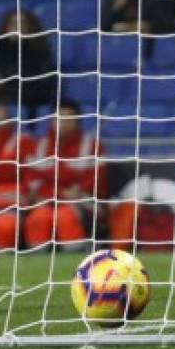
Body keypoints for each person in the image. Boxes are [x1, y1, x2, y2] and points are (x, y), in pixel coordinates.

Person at [23, 99, 105, 250]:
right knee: (38, 217)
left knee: (65, 216)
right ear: (52, 121)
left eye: (69, 118)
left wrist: (60, 188)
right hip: (46, 201)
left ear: (77, 121)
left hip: (82, 203)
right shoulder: (39, 146)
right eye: (60, 118)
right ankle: (37, 263)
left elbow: (95, 182)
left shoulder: (92, 146)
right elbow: (31, 181)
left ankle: (74, 258)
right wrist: (60, 192)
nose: (64, 123)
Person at [0, 104, 37, 251]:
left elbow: (31, 174)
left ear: (10, 120)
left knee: (5, 226)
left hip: (14, 205)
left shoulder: (23, 142)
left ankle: (3, 264)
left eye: (0, 118)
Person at [0, 9, 58, 117]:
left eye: (22, 23)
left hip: (30, 105)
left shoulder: (40, 53)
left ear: (30, 26)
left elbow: (43, 86)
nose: (16, 27)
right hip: (0, 101)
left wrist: (7, 85)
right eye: (13, 23)